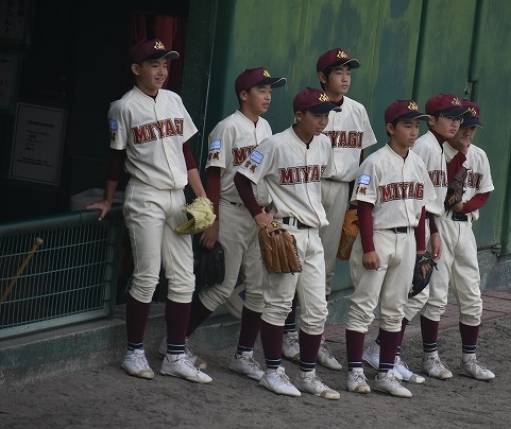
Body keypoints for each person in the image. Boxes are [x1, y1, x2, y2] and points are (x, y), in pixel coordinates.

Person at [87, 39, 211, 384]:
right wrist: (109, 199)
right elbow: (116, 156)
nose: (161, 71)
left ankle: (175, 355)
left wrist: (202, 196)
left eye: (165, 65)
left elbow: (185, 151)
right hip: (144, 195)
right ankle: (134, 351)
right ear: (136, 69)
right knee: (147, 276)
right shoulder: (123, 107)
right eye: (154, 64)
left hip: (177, 196)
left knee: (184, 277)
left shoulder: (173, 100)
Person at [156, 67, 286, 381]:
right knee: (222, 286)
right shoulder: (226, 128)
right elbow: (213, 174)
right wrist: (212, 220)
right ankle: (174, 342)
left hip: (258, 215)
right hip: (230, 212)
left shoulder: (267, 127)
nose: (268, 96)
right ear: (243, 94)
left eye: (270, 91)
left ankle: (244, 355)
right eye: (262, 90)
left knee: (258, 289)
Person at [234, 87, 341, 399]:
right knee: (279, 304)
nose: (323, 121)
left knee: (317, 310)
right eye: (317, 115)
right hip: (285, 233)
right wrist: (258, 214)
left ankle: (307, 375)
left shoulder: (324, 144)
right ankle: (273, 373)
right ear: (299, 115)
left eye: (327, 115)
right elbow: (242, 178)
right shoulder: (275, 144)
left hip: (313, 235)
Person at [281, 48, 377, 371]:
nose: (345, 77)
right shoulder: (310, 108)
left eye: (349, 72)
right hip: (310, 184)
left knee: (324, 267)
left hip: (341, 189)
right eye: (339, 72)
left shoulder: (357, 110)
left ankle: (314, 336)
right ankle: (288, 333)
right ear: (323, 77)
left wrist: (357, 200)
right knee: (295, 259)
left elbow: (362, 156)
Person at [362, 94, 468, 383]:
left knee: (415, 295)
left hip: (417, 229)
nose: (456, 124)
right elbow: (418, 202)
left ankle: (385, 352)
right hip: (397, 229)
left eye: (459, 119)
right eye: (450, 118)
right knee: (405, 296)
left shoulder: (436, 147)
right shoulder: (423, 148)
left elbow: (424, 199)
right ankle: (383, 353)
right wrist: (432, 233)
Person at [344, 99, 436, 398]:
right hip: (379, 238)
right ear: (390, 128)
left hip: (407, 240)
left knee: (395, 309)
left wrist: (420, 250)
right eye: (407, 125)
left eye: (416, 125)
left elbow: (421, 209)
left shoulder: (417, 162)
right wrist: (369, 248)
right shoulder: (374, 162)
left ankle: (385, 373)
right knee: (363, 306)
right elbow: (363, 208)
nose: (413, 131)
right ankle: (355, 371)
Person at [438, 100, 495, 381]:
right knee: (434, 296)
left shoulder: (479, 155)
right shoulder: (437, 152)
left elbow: (485, 192)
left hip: (465, 228)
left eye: (473, 128)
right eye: (465, 127)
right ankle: (428, 357)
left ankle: (469, 360)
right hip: (440, 225)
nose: (468, 133)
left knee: (472, 296)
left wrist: (466, 206)